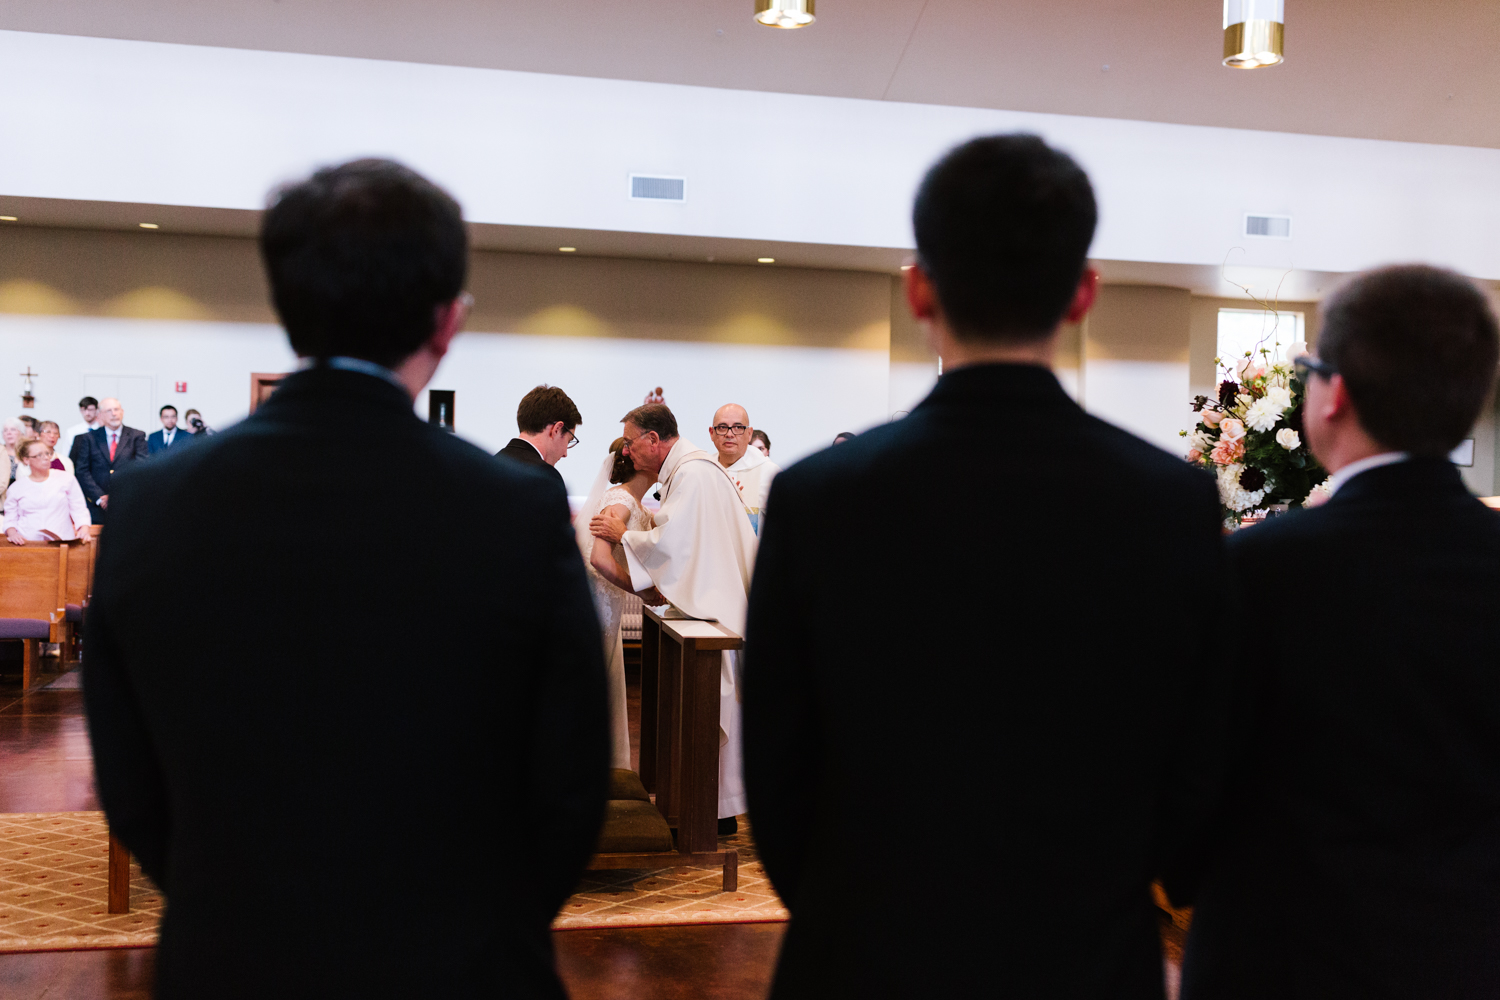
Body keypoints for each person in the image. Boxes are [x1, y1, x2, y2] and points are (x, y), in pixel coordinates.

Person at [83, 158, 608, 999]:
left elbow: (128, 774)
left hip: (231, 958)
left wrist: (238, 908)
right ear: (449, 322)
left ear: (287, 308)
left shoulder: (151, 501)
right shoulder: (512, 510)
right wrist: (482, 921)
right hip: (461, 961)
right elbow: (572, 777)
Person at [743, 134, 1226, 999]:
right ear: (1083, 295)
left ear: (920, 290)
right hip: (1085, 957)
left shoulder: (821, 495)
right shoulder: (1169, 503)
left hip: (862, 955)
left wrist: (843, 907)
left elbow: (777, 767)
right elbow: (1197, 770)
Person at [1177, 266, 1500, 1000]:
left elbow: (1191, 778)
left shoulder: (1255, 568)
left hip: (1276, 957)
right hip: (1469, 958)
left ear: (1336, 394)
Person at [590, 403, 758, 834]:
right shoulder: (690, 470)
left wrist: (624, 534)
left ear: (653, 439)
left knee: (711, 711)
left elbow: (676, 543)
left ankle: (711, 813)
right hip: (708, 605)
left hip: (714, 612)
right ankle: (708, 810)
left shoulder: (694, 473)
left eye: (630, 442)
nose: (626, 451)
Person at [574, 437, 667, 770]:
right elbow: (599, 559)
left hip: (607, 603)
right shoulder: (621, 501)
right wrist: (640, 591)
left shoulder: (638, 505)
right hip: (599, 604)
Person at [71, 397, 148, 523]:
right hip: (96, 506)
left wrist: (118, 496)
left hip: (127, 502)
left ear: (122, 412)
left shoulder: (136, 436)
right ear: (100, 415)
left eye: (116, 409)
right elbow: (82, 470)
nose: (114, 413)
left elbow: (141, 468)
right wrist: (99, 498)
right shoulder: (89, 438)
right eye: (109, 410)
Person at [495, 385, 580, 493]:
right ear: (557, 429)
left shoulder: (489, 466)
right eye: (568, 440)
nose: (565, 453)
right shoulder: (545, 477)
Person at [710, 403, 780, 534]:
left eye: (738, 427)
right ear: (712, 433)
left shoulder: (769, 473)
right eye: (722, 427)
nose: (729, 434)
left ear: (749, 434)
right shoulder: (704, 470)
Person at [4, 439, 90, 544]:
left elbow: (79, 508)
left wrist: (84, 529)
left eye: (47, 453)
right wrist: (13, 534)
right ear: (26, 460)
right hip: (28, 543)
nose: (46, 458)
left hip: (62, 541)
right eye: (39, 455)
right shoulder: (16, 487)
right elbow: (10, 518)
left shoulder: (66, 478)